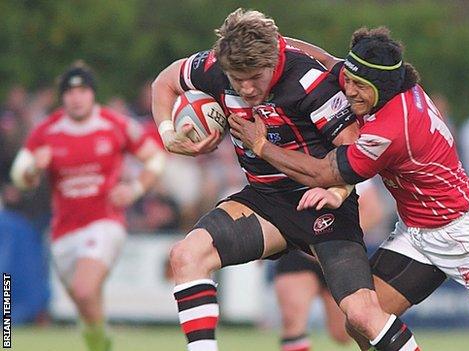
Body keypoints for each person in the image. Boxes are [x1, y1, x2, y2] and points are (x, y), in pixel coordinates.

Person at [229, 27, 469, 351]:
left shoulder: (393, 127)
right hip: (418, 233)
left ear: (381, 88)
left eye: (358, 87)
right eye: (349, 80)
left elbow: (323, 172)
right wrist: (276, 46)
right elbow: (328, 63)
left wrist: (262, 145)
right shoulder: (374, 83)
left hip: (467, 232)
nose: (348, 92)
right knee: (364, 322)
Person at [151, 9, 420, 351]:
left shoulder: (308, 82)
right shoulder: (214, 68)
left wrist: (338, 190)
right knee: (186, 255)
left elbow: (355, 152)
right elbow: (165, 82)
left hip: (322, 203)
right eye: (238, 79)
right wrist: (167, 133)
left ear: (273, 60)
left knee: (362, 318)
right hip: (265, 201)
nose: (247, 88)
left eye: (256, 77)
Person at [10, 62, 165, 351]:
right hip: (63, 232)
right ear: (62, 97)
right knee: (85, 302)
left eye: (82, 90)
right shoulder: (46, 130)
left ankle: (98, 343)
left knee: (84, 288)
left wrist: (134, 189)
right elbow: (20, 178)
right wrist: (34, 168)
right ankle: (100, 342)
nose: (76, 97)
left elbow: (155, 158)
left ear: (92, 94)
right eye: (69, 92)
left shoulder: (114, 124)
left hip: (104, 222)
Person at [274, 180, 384, 351]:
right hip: (298, 252)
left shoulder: (344, 160)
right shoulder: (287, 159)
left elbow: (373, 211)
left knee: (343, 332)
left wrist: (335, 238)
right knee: (291, 318)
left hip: (339, 253)